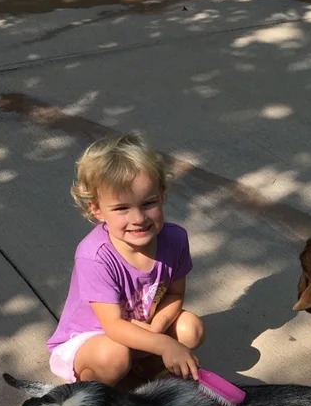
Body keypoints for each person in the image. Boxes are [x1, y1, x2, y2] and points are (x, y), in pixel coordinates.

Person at [46, 132, 204, 385]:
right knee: (114, 356)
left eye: (148, 203)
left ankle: (143, 374)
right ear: (96, 210)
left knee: (191, 329)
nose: (139, 218)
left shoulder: (175, 239)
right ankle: (93, 394)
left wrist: (157, 329)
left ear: (162, 195)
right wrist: (162, 343)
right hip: (93, 337)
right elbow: (113, 326)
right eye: (121, 208)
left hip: (143, 326)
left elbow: (174, 294)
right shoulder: (95, 256)